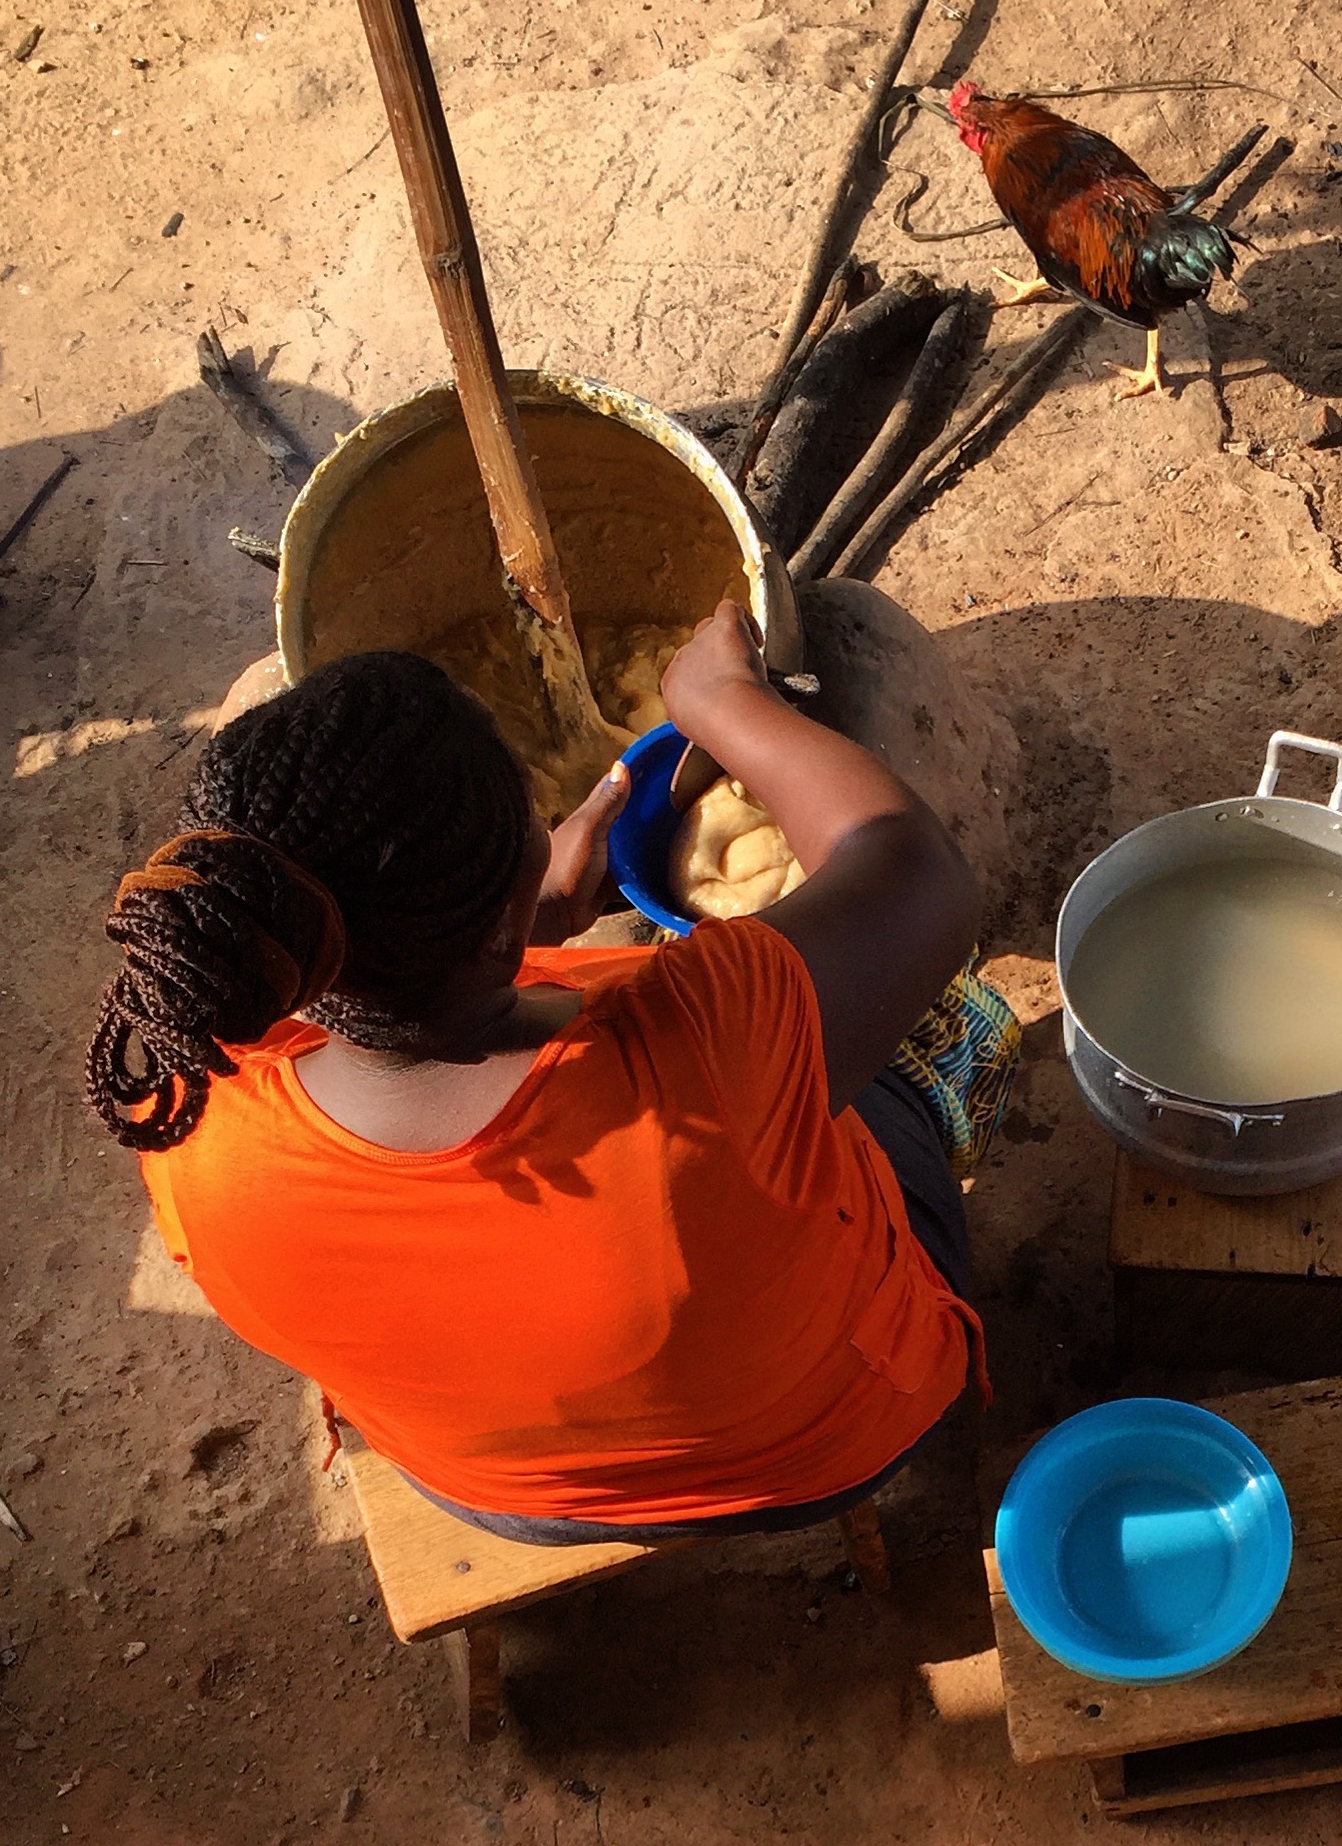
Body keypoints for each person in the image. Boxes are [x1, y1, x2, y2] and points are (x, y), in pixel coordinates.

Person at [87, 603, 1011, 1541]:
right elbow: (912, 869)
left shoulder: (183, 1101)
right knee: (917, 1034)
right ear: (496, 925)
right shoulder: (708, 1043)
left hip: (501, 1492)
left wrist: (511, 931)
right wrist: (720, 697)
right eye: (531, 818)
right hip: (818, 1448)